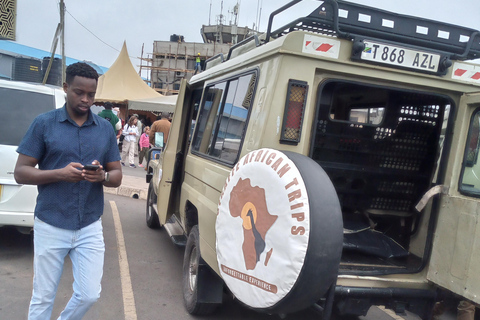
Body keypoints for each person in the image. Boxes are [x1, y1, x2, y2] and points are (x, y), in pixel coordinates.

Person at [14, 62, 122, 320]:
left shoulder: (104, 129)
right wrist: (59, 174)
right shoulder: (44, 124)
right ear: (65, 88)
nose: (86, 99)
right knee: (43, 297)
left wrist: (102, 176)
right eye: (79, 92)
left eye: (91, 95)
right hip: (51, 222)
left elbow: (116, 175)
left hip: (89, 225)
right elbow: (21, 172)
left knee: (89, 294)